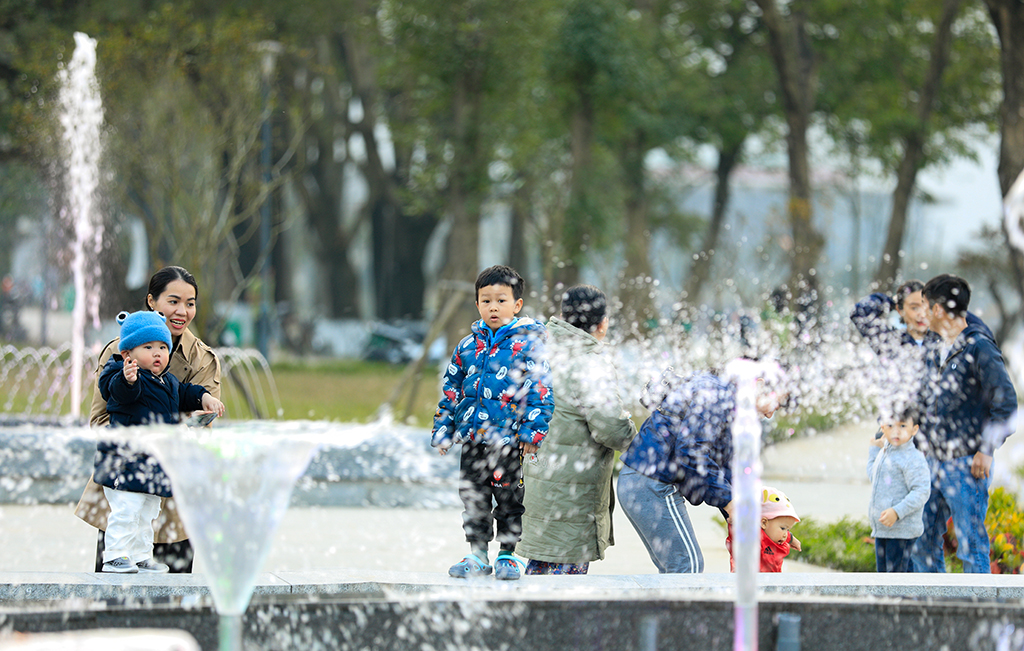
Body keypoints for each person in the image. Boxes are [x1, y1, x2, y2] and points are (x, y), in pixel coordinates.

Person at [75, 266, 222, 573]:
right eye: (173, 301)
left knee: (173, 597)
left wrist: (193, 422)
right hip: (126, 479)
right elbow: (99, 419)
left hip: (174, 489)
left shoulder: (202, 358)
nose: (182, 311)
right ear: (152, 301)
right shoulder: (120, 352)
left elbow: (202, 424)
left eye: (190, 303)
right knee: (114, 591)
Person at [431, 265, 553, 581]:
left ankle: (508, 554)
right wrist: (444, 427)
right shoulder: (467, 347)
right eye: (486, 301)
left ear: (517, 305)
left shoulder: (528, 345)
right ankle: (477, 553)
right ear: (477, 305)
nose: (493, 307)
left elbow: (539, 390)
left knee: (509, 498)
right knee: (473, 496)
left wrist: (531, 431)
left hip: (509, 441)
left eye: (501, 300)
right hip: (473, 438)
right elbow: (451, 389)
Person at [616, 366, 786, 574]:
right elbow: (691, 452)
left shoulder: (727, 402)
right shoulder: (717, 396)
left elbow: (721, 469)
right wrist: (730, 504)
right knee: (687, 567)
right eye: (775, 404)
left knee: (679, 569)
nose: (770, 414)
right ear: (758, 384)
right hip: (649, 483)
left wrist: (760, 525)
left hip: (644, 482)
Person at [517, 285, 637, 575]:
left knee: (540, 576)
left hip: (538, 481)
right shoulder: (590, 363)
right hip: (572, 496)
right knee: (564, 592)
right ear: (602, 323)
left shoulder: (539, 351)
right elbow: (610, 428)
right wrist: (638, 438)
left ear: (562, 315)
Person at [912, 274, 1017, 573]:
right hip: (930, 461)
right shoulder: (933, 346)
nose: (922, 314)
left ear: (939, 310)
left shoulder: (979, 348)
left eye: (925, 306)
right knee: (922, 539)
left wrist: (986, 449)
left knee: (970, 545)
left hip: (967, 465)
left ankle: (976, 613)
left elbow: (1007, 407)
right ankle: (932, 609)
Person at [868, 403, 930, 573]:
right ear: (882, 427)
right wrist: (874, 450)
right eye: (890, 426)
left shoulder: (912, 458)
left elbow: (922, 491)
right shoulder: (886, 452)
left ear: (914, 429)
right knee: (886, 580)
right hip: (884, 529)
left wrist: (897, 511)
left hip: (902, 532)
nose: (896, 431)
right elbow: (874, 476)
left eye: (902, 426)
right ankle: (890, 600)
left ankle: (902, 600)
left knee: (897, 581)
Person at [725, 486, 802, 573]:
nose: (785, 534)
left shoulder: (775, 537)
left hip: (771, 581)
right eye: (783, 528)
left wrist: (792, 540)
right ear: (764, 523)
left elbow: (787, 535)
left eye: (788, 529)